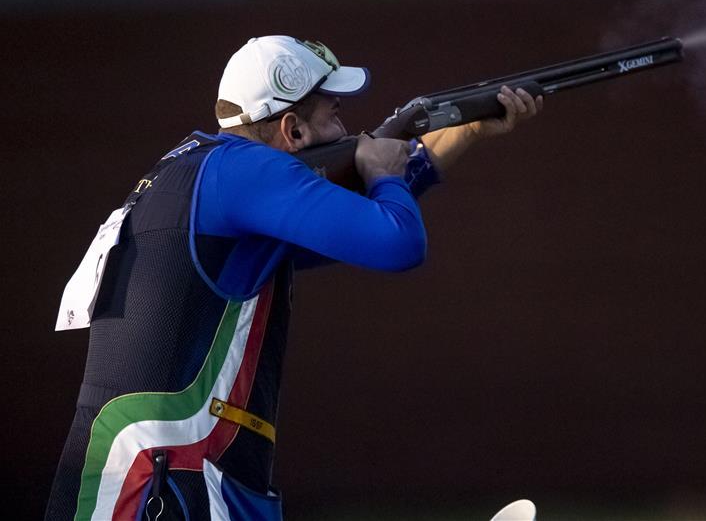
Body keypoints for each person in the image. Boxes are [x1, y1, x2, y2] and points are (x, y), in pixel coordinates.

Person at [46, 35, 542, 520]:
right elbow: (398, 242)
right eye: (333, 114)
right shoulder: (245, 172)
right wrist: (383, 176)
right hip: (157, 482)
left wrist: (468, 129)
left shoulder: (208, 171)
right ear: (293, 130)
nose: (346, 128)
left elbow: (356, 224)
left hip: (169, 472)